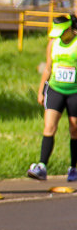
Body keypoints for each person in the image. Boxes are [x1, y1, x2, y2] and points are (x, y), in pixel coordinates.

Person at [31, 13, 77, 182]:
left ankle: (73, 167)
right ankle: (42, 166)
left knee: (74, 129)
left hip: (74, 92)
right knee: (49, 126)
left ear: (69, 29)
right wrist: (41, 90)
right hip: (55, 89)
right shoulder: (53, 43)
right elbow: (48, 68)